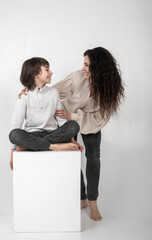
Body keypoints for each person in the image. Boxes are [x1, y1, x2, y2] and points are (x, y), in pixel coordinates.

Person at [19, 47, 125, 221]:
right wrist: (30, 91)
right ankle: (81, 197)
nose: (83, 68)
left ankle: (93, 201)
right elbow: (53, 91)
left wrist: (74, 115)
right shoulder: (78, 77)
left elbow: (101, 118)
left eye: (87, 65)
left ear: (99, 68)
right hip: (68, 123)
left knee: (93, 157)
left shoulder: (110, 88)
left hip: (91, 124)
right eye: (83, 64)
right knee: (73, 157)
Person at [9, 57, 83, 171]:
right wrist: (12, 152)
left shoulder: (53, 92)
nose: (51, 72)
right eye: (47, 70)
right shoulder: (24, 96)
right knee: (14, 134)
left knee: (74, 126)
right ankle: (53, 147)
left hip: (53, 133)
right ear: (36, 75)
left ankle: (30, 146)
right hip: (33, 135)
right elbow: (16, 124)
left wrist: (71, 140)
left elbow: (61, 120)